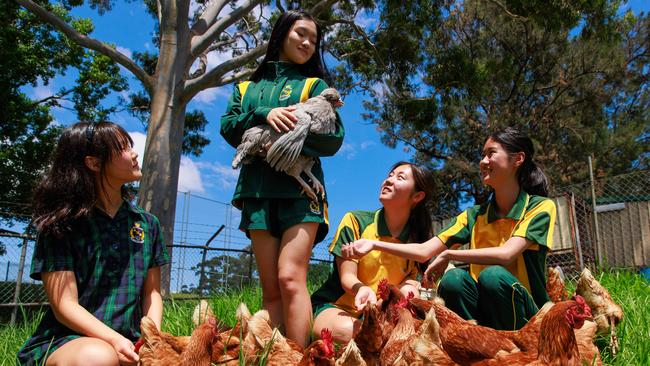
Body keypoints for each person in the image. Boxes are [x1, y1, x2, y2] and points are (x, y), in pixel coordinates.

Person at [342, 128, 557, 330]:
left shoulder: (539, 207)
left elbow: (507, 254)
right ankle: (478, 344)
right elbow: (425, 251)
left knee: (492, 276)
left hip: (530, 315)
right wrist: (373, 244)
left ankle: (518, 345)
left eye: (491, 154)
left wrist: (449, 253)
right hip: (486, 309)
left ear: (518, 159)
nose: (483, 161)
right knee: (453, 281)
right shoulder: (474, 215)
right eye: (482, 155)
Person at [220, 10, 344, 347]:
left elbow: (333, 139)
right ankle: (272, 353)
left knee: (291, 277)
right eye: (301, 34)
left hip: (300, 194)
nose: (308, 43)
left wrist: (292, 137)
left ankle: (300, 355)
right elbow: (229, 127)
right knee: (271, 289)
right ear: (281, 34)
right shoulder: (246, 88)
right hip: (257, 193)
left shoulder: (314, 87)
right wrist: (264, 113)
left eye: (314, 40)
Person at [17, 122, 170, 366]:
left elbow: (152, 293)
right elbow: (64, 305)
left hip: (131, 342)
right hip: (68, 342)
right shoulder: (61, 225)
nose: (134, 153)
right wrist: (114, 340)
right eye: (123, 148)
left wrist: (153, 339)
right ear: (94, 163)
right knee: (98, 356)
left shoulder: (147, 223)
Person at [311, 161, 434, 343]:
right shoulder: (355, 221)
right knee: (361, 334)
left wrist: (406, 289)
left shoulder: (415, 241)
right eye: (390, 175)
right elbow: (347, 278)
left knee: (402, 331)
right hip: (339, 309)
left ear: (417, 196)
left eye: (399, 178)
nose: (389, 180)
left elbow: (411, 279)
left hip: (382, 315)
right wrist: (362, 289)